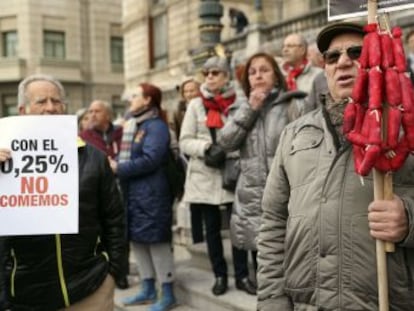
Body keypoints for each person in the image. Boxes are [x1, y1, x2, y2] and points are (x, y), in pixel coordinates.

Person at [256, 22, 414, 311]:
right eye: (332, 56)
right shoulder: (294, 133)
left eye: (357, 52)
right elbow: (272, 223)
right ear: (324, 67)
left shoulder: (406, 128)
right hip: (306, 303)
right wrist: (271, 301)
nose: (343, 62)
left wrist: (410, 220)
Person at [0, 74, 127, 311]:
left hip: (90, 290)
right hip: (26, 296)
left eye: (56, 101)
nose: (50, 108)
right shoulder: (3, 160)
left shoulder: (94, 158)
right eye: (41, 101)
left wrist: (113, 273)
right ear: (22, 110)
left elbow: (114, 218)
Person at [217, 51, 309, 293]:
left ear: (276, 77)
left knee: (294, 263)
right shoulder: (240, 107)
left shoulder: (294, 104)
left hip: (289, 196)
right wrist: (251, 108)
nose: (258, 76)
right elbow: (225, 142)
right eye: (252, 72)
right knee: (265, 266)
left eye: (264, 70)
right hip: (253, 197)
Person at [179, 56, 255, 296]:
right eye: (207, 73)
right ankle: (220, 276)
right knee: (212, 230)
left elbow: (248, 137)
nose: (210, 77)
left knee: (238, 229)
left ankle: (242, 276)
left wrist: (230, 152)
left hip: (234, 174)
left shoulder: (242, 101)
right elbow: (184, 141)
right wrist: (206, 149)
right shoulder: (195, 105)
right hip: (205, 175)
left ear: (226, 76)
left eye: (215, 73)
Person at [108, 83, 177, 311]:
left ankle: (167, 293)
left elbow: (151, 159)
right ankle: (147, 289)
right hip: (134, 193)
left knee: (157, 242)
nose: (130, 99)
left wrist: (119, 168)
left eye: (135, 95)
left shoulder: (155, 126)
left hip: (152, 194)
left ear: (147, 100)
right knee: (138, 241)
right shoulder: (134, 124)